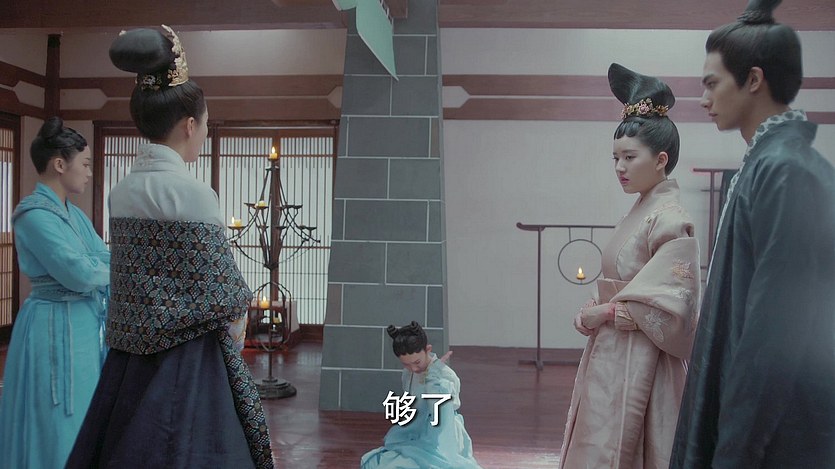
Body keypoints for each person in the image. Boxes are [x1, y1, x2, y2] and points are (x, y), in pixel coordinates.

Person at [65, 26, 273, 468]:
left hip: (128, 363)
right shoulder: (195, 195)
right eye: (205, 124)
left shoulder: (121, 192)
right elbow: (228, 294)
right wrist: (235, 331)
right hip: (191, 362)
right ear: (189, 125)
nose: (204, 132)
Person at [670, 1, 835, 467]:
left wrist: (737, 448)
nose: (704, 98)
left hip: (780, 433)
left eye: (711, 83)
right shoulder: (767, 162)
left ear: (754, 79)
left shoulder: (787, 171)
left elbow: (775, 332)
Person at [558, 63, 701, 469]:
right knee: (599, 443)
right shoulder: (642, 209)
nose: (619, 168)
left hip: (645, 360)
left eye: (629, 157)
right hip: (611, 353)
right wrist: (594, 309)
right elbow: (619, 279)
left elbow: (677, 302)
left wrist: (605, 312)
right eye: (615, 158)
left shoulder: (670, 218)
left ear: (660, 160)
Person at [0, 117, 110, 469]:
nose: (89, 173)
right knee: (57, 414)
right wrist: (97, 269)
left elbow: (102, 258)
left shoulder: (73, 214)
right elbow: (78, 272)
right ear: (60, 164)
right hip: (51, 325)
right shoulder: (33, 215)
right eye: (86, 164)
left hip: (83, 324)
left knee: (84, 410)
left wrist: (96, 268)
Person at [361, 321, 483, 469]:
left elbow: (443, 411)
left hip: (441, 432)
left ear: (427, 349)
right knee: (379, 463)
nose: (413, 368)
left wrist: (433, 381)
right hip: (415, 428)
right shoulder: (409, 373)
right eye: (406, 364)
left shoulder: (446, 375)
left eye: (417, 362)